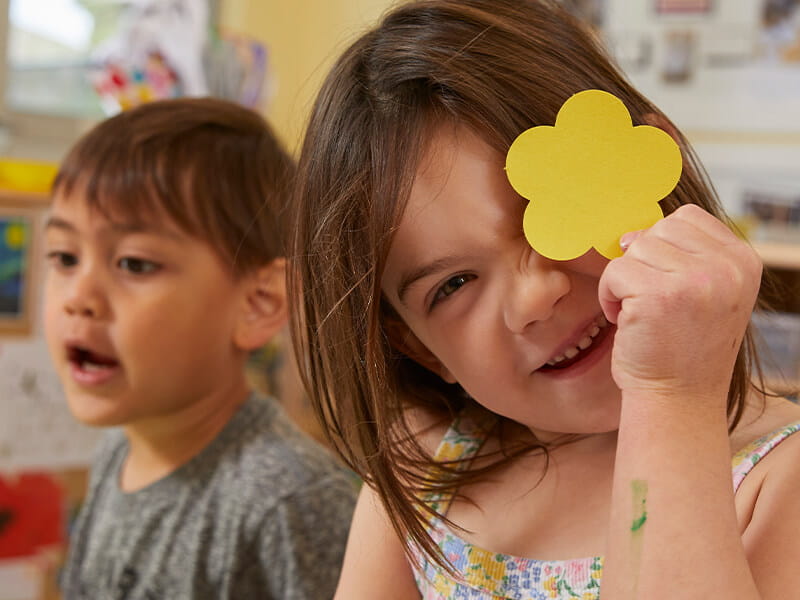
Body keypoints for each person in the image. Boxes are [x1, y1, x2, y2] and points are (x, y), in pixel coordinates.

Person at [287, 1, 800, 599]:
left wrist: (672, 397)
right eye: (453, 285)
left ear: (651, 169)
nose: (533, 297)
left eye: (551, 217)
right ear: (421, 349)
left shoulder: (777, 479)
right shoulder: (424, 470)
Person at [44, 97, 357, 600]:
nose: (78, 297)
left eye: (134, 264)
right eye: (64, 257)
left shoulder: (290, 500)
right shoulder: (116, 453)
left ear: (258, 304)